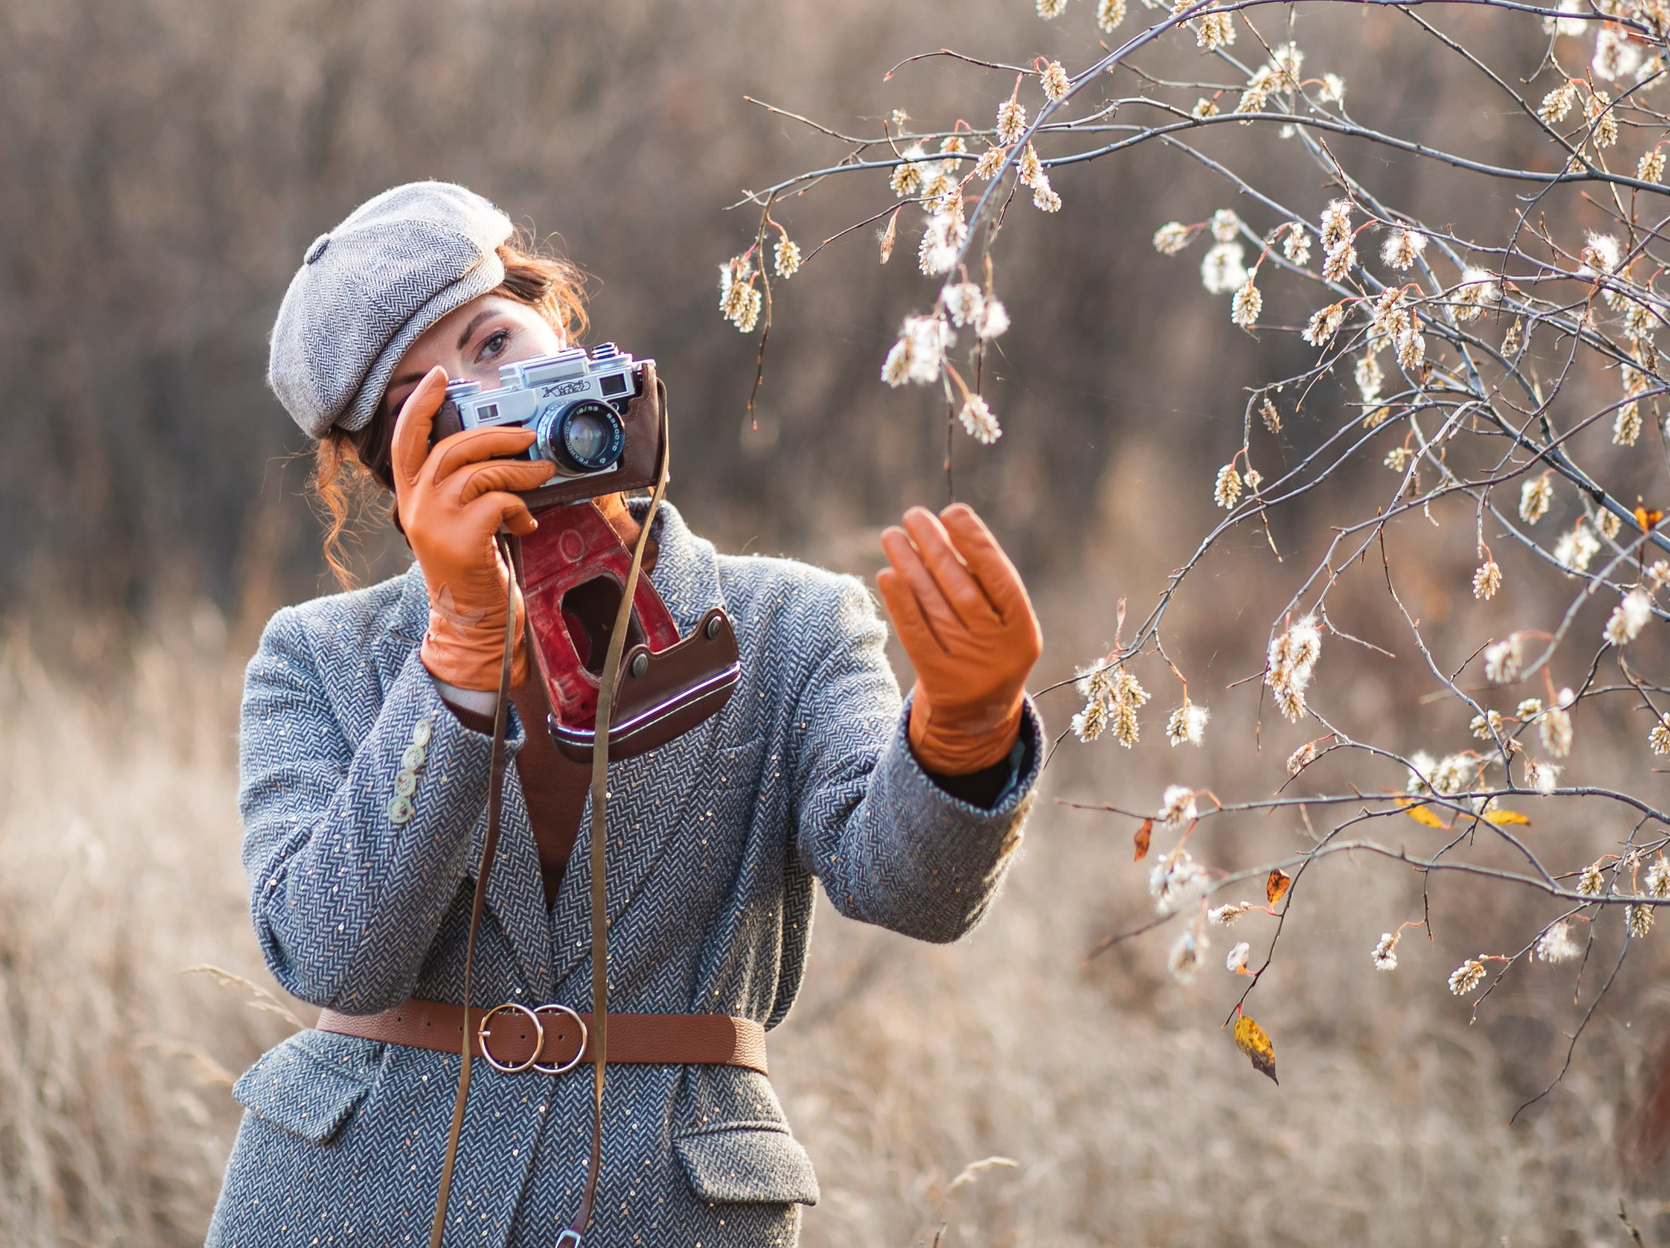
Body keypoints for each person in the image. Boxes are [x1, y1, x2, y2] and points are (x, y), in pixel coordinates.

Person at [208, 180, 1043, 1247]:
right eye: (430, 404)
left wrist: (964, 734)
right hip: (347, 1204)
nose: (491, 399)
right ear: (396, 469)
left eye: (494, 341)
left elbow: (910, 890)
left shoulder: (789, 624)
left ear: (560, 322)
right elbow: (330, 956)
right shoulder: (318, 658)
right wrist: (458, 655)